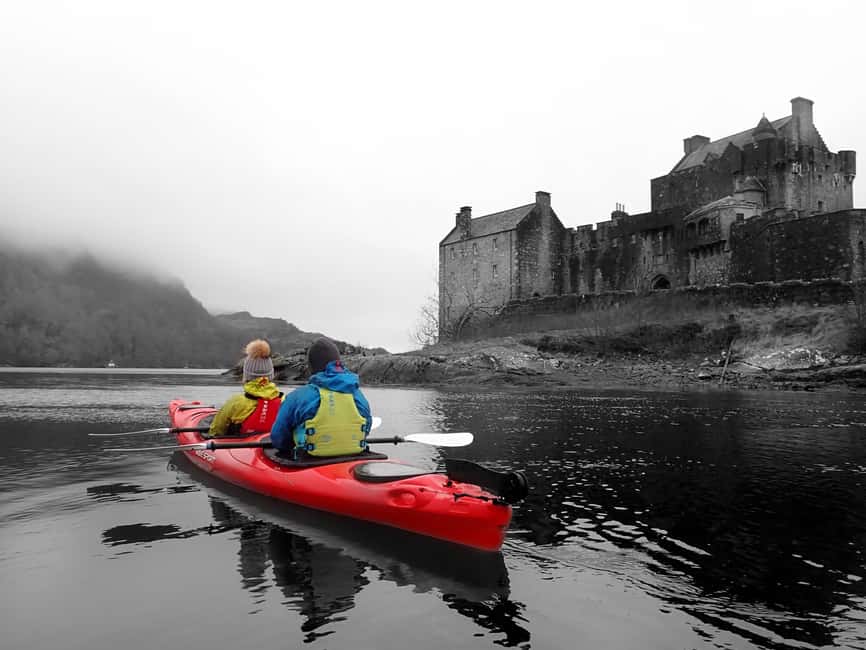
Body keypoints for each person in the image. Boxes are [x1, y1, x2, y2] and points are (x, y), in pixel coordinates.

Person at [270, 337, 372, 457]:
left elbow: (279, 439)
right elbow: (366, 429)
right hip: (352, 459)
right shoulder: (359, 396)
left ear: (311, 367)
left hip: (309, 463)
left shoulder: (297, 397)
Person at [209, 339, 284, 436]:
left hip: (240, 448)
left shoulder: (235, 402)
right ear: (271, 375)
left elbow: (216, 431)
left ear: (246, 375)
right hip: (271, 448)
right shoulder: (284, 401)